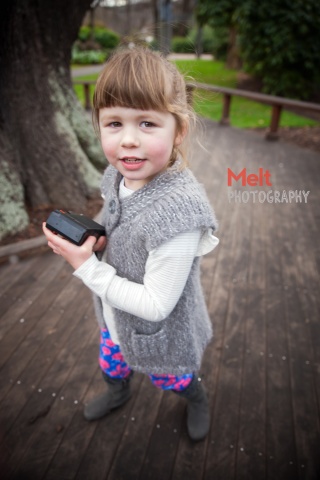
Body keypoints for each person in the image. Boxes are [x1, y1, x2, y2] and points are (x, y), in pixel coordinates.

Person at [42, 46, 219, 442]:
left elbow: (157, 306)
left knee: (172, 379)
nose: (128, 141)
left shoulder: (178, 216)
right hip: (116, 318)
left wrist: (85, 265)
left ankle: (197, 397)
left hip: (160, 334)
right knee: (112, 364)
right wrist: (100, 237)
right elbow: (118, 218)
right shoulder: (118, 175)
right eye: (114, 123)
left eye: (147, 124)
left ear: (179, 129)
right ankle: (117, 391)